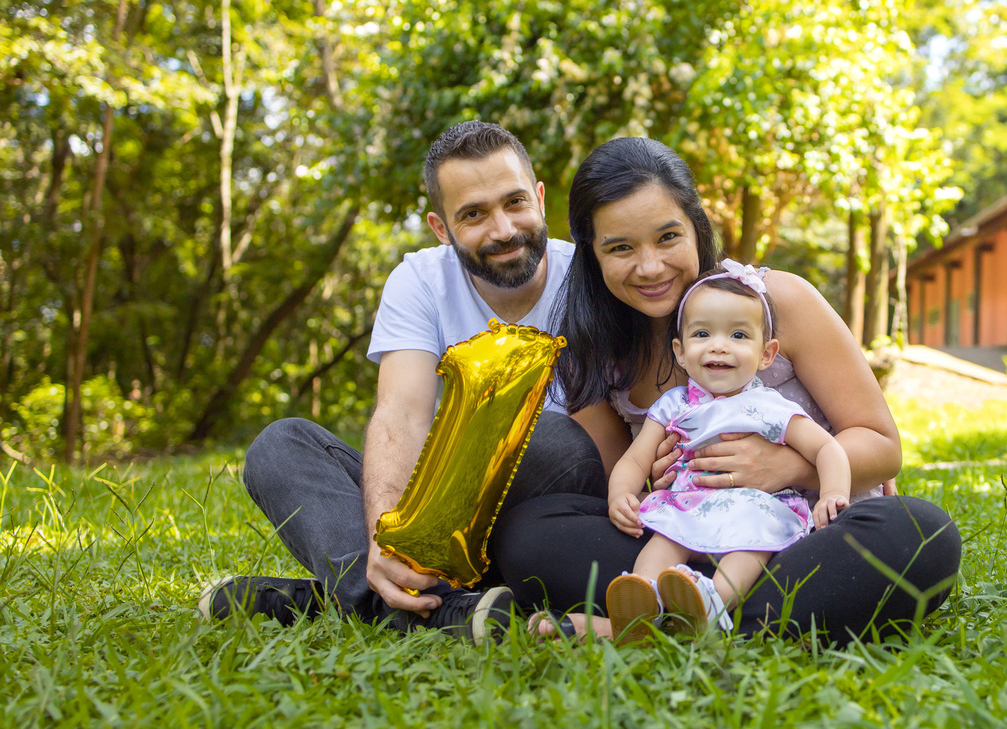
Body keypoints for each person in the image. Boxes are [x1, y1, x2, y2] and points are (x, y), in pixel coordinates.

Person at [493, 136, 961, 645]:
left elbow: (881, 444)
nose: (649, 267)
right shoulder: (596, 350)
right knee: (528, 531)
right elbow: (621, 487)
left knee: (920, 530)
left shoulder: (774, 301)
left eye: (667, 237)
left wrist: (788, 466)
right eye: (620, 247)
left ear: (696, 228)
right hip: (686, 536)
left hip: (802, 534)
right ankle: (704, 612)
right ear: (592, 255)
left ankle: (655, 623)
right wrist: (645, 481)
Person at [197, 121, 606, 643]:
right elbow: (402, 413)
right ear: (441, 228)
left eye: (514, 202)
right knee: (280, 446)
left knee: (554, 439)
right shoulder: (418, 280)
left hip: (539, 513)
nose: (502, 229)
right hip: (434, 506)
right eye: (474, 214)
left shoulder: (591, 279)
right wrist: (386, 539)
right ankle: (427, 605)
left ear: (541, 199)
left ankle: (346, 599)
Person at [605, 260, 853, 643]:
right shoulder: (674, 405)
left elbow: (827, 448)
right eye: (702, 333)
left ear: (767, 354)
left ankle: (711, 604)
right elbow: (636, 459)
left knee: (750, 546)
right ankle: (643, 598)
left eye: (738, 335)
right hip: (687, 504)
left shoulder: (770, 407)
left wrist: (834, 493)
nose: (719, 345)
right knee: (664, 540)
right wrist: (621, 493)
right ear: (681, 351)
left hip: (754, 507)